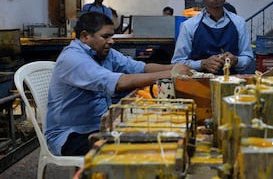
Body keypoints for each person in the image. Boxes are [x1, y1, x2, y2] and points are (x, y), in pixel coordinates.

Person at [45, 12, 192, 156]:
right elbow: (119, 83)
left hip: (101, 125)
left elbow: (141, 68)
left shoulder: (104, 52)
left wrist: (176, 68)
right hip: (72, 135)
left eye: (112, 36)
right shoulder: (73, 59)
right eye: (105, 36)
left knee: (154, 134)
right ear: (85, 36)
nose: (111, 41)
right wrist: (169, 74)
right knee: (135, 150)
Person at [171, 0, 254, 75]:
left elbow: (248, 58)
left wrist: (236, 60)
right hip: (197, 86)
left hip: (233, 85)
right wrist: (202, 64)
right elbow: (177, 63)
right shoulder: (189, 26)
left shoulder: (239, 23)